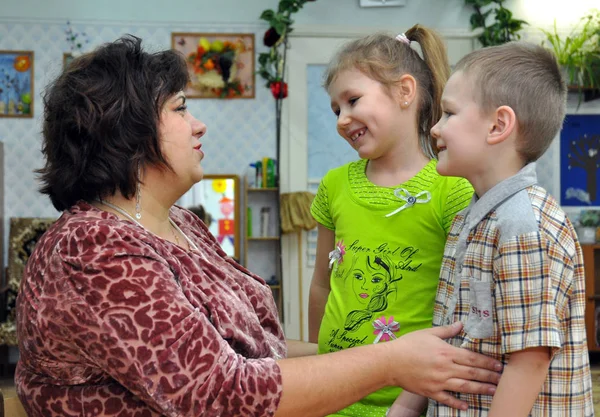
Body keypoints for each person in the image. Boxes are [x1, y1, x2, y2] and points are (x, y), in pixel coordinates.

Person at [15, 35, 502, 417]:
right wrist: (392, 362)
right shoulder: (93, 249)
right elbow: (222, 393)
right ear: (127, 130)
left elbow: (252, 348)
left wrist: (355, 351)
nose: (199, 125)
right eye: (181, 109)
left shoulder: (181, 223)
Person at [420, 42, 594, 416]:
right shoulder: (470, 219)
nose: (435, 127)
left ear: (498, 125)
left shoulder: (522, 228)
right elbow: (452, 334)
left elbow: (529, 360)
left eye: (448, 113)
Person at [309, 25, 474, 416]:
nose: (342, 119)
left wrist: (408, 404)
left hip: (410, 398)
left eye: (352, 100)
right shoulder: (334, 185)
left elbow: (460, 309)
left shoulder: (452, 189)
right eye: (336, 109)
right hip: (337, 391)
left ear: (404, 91)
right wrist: (319, 369)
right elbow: (321, 283)